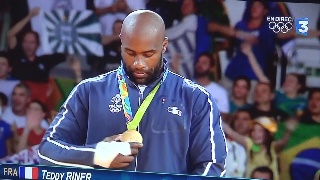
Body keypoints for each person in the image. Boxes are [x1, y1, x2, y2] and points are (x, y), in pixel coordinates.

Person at [38, 10, 227, 176]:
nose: (138, 63)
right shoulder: (89, 91)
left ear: (164, 46)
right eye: (130, 52)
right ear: (121, 43)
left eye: (148, 54)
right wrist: (96, 154)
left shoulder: (195, 98)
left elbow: (212, 165)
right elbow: (47, 151)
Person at [223, 115, 297, 180]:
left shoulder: (273, 147)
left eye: (260, 131)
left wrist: (288, 131)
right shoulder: (250, 145)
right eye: (254, 130)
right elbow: (230, 132)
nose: (256, 134)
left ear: (268, 133)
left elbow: (283, 142)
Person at [194, 52, 229, 122]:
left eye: (204, 63)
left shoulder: (220, 92)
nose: (200, 65)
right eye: (198, 62)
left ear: (212, 68)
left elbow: (223, 117)